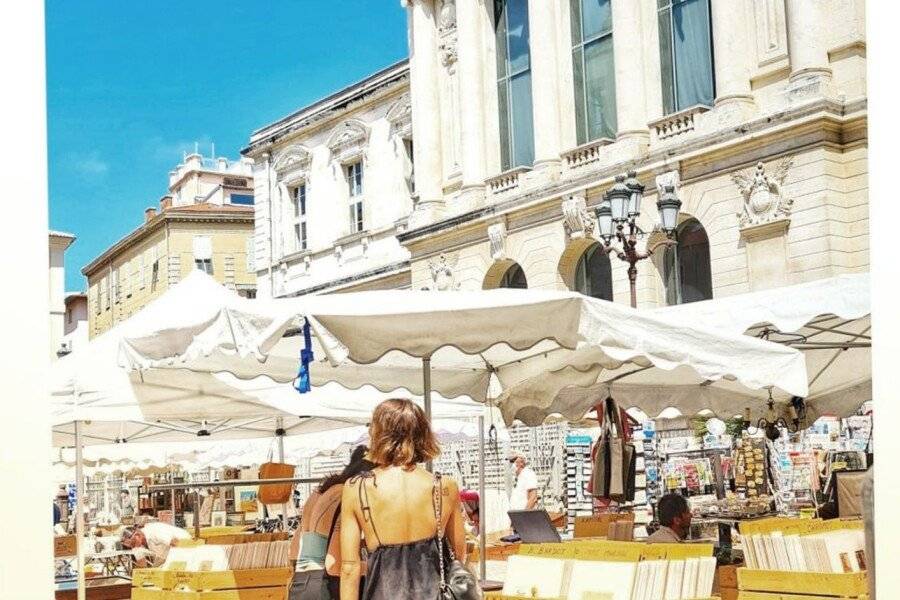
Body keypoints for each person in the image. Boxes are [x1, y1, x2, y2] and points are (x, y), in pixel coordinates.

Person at [340, 399, 466, 600]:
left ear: (378, 433)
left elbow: (349, 567)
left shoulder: (357, 488)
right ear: (422, 433)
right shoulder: (444, 486)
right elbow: (459, 553)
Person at [293, 444, 373, 599]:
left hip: (301, 583)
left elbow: (293, 550)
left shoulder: (318, 494)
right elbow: (334, 565)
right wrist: (377, 566)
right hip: (324, 587)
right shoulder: (348, 496)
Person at [121, 519, 191, 566]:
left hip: (186, 547)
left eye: (133, 544)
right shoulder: (138, 544)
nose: (134, 547)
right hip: (168, 554)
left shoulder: (155, 531)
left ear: (137, 535)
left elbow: (176, 542)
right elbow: (142, 565)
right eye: (131, 546)